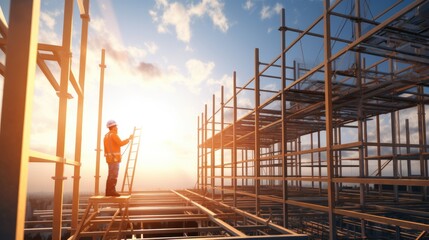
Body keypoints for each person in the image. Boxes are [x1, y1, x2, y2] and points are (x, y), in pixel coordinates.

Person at [104, 120, 133, 197]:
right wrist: (129, 139)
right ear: (113, 127)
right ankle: (112, 191)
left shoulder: (106, 136)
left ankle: (108, 192)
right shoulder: (113, 135)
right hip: (114, 159)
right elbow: (120, 143)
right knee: (114, 175)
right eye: (116, 126)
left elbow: (106, 149)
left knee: (110, 175)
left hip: (109, 159)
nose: (117, 128)